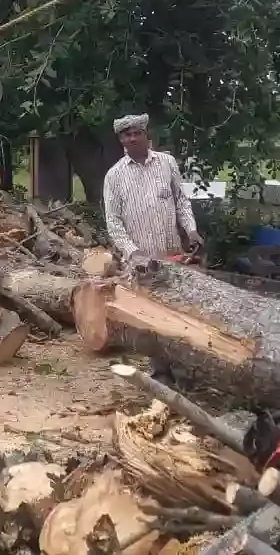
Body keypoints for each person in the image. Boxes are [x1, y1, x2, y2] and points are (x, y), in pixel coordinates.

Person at [102, 113, 202, 385]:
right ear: (121, 139)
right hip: (141, 261)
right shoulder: (114, 176)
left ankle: (185, 370)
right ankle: (160, 374)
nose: (132, 138)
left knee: (182, 315)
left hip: (172, 253)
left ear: (147, 134)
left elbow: (182, 202)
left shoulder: (167, 163)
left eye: (137, 133)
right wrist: (133, 253)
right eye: (126, 134)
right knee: (151, 321)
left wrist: (191, 230)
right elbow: (113, 222)